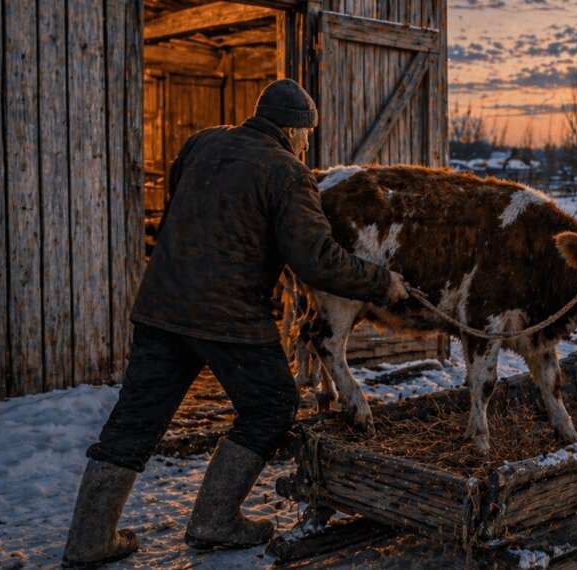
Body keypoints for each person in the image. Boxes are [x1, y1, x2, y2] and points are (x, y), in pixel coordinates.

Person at [61, 78, 407, 567]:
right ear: (292, 130)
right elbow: (316, 260)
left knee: (135, 419)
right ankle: (214, 520)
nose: (308, 143)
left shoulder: (201, 143)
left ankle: (87, 540)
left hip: (162, 306)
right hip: (229, 316)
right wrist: (379, 283)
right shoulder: (288, 173)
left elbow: (182, 204)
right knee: (272, 405)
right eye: (307, 134)